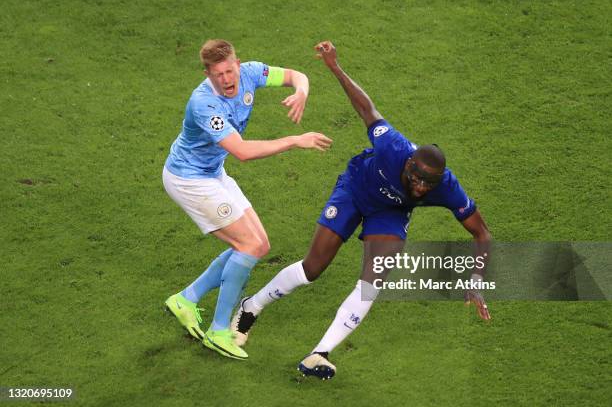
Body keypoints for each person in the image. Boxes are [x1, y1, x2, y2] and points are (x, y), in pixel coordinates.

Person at [231, 41, 492, 377]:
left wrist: (477, 278)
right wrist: (335, 67)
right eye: (417, 180)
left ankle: (319, 354)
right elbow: (366, 108)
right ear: (409, 164)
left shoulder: (446, 186)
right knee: (313, 267)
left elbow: (481, 233)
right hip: (356, 189)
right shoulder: (392, 146)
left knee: (373, 280)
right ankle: (251, 307)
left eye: (429, 185)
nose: (422, 188)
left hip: (391, 212)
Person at [163, 39, 332, 360]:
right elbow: (241, 151)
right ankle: (219, 330)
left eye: (229, 71)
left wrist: (302, 92)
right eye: (218, 75)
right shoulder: (204, 104)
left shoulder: (251, 72)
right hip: (188, 180)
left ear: (237, 64)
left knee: (260, 245)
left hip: (212, 172)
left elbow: (297, 75)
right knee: (248, 246)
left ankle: (186, 299)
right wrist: (295, 140)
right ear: (207, 74)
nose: (227, 80)